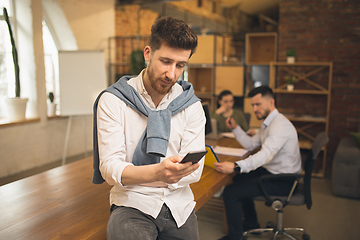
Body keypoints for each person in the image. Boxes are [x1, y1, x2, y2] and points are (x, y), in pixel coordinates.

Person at [92, 16, 206, 240]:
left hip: (178, 205)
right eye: (166, 61)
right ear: (147, 54)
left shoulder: (191, 106)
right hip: (132, 203)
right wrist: (159, 172)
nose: (172, 74)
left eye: (180, 65)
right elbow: (110, 168)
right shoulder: (113, 100)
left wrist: (138, 174)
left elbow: (196, 169)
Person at [214, 86, 301, 240]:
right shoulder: (269, 122)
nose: (254, 109)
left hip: (283, 180)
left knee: (230, 192)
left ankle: (236, 237)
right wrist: (235, 128)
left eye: (258, 104)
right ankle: (252, 223)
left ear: (271, 102)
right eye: (253, 105)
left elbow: (264, 156)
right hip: (273, 172)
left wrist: (236, 166)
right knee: (238, 179)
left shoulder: (279, 126)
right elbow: (251, 144)